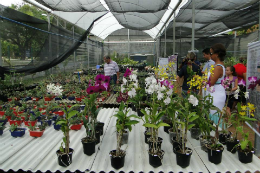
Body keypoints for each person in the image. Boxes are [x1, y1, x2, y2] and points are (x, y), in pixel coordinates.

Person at [206, 43, 226, 126]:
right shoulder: (216, 65)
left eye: (211, 53)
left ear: (217, 54)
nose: (210, 55)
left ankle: (216, 134)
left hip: (216, 94)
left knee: (215, 115)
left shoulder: (218, 67)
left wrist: (201, 82)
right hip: (214, 91)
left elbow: (211, 82)